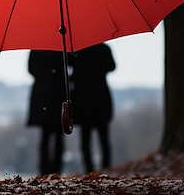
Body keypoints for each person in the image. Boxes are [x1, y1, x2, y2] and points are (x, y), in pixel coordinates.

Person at [68, 43, 116, 174]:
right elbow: (112, 66)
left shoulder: (77, 52)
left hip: (83, 100)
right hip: (101, 98)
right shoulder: (104, 49)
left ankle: (89, 170)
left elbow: (69, 68)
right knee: (104, 138)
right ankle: (106, 168)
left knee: (85, 139)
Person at [26, 50, 68, 175]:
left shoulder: (36, 49)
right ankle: (57, 169)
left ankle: (44, 169)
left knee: (45, 135)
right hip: (58, 95)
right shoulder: (61, 48)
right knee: (59, 136)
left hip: (42, 95)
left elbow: (31, 69)